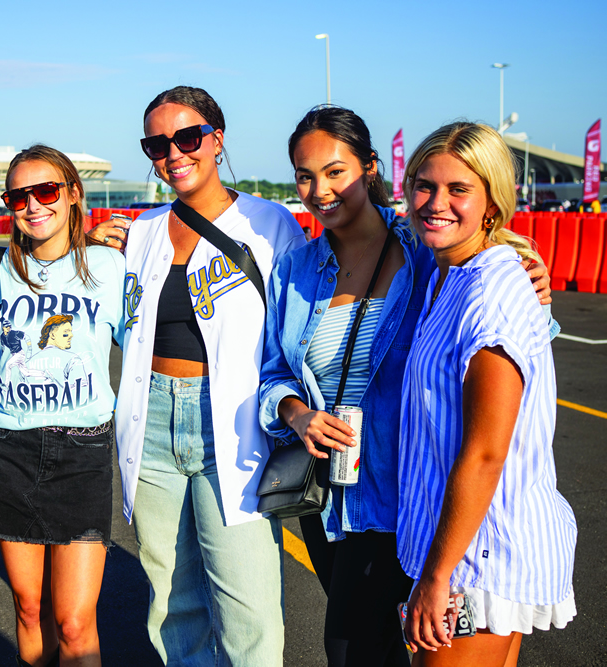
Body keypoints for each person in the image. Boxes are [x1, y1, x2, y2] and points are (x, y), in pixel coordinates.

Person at [257, 107, 554, 667]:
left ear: (370, 169)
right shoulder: (294, 271)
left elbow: (501, 340)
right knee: (381, 647)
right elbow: (274, 371)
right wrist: (296, 412)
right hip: (333, 500)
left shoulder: (429, 252)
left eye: (336, 171)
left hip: (416, 497)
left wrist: (533, 289)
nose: (320, 190)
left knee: (354, 648)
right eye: (304, 175)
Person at [92, 86, 306, 666]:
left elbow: (341, 264)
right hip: (152, 418)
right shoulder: (141, 232)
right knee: (169, 599)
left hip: (232, 421)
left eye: (187, 138)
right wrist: (84, 245)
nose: (174, 154)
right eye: (157, 144)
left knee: (249, 602)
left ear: (216, 139)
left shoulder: (271, 225)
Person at [398, 122, 576, 666]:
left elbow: (485, 452)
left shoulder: (489, 289)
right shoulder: (447, 272)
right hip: (476, 548)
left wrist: (437, 577)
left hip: (478, 557)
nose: (437, 202)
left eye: (459, 190)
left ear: (493, 202)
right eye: (425, 186)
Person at [0, 145, 124, 667]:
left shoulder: (110, 266)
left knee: (74, 623)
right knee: (29, 608)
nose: (32, 205)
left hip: (82, 452)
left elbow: (146, 353)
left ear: (73, 194)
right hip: (10, 448)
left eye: (45, 191)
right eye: (18, 196)